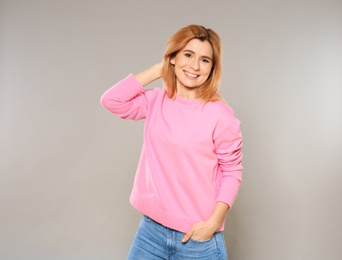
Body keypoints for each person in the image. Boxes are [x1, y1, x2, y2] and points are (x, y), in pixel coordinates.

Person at [101, 24, 243, 260]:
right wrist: (160, 69)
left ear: (212, 67)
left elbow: (232, 173)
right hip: (150, 232)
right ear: (174, 57)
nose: (195, 66)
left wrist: (213, 223)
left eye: (205, 60)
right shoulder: (156, 101)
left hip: (198, 238)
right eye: (188, 55)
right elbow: (111, 100)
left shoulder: (221, 115)